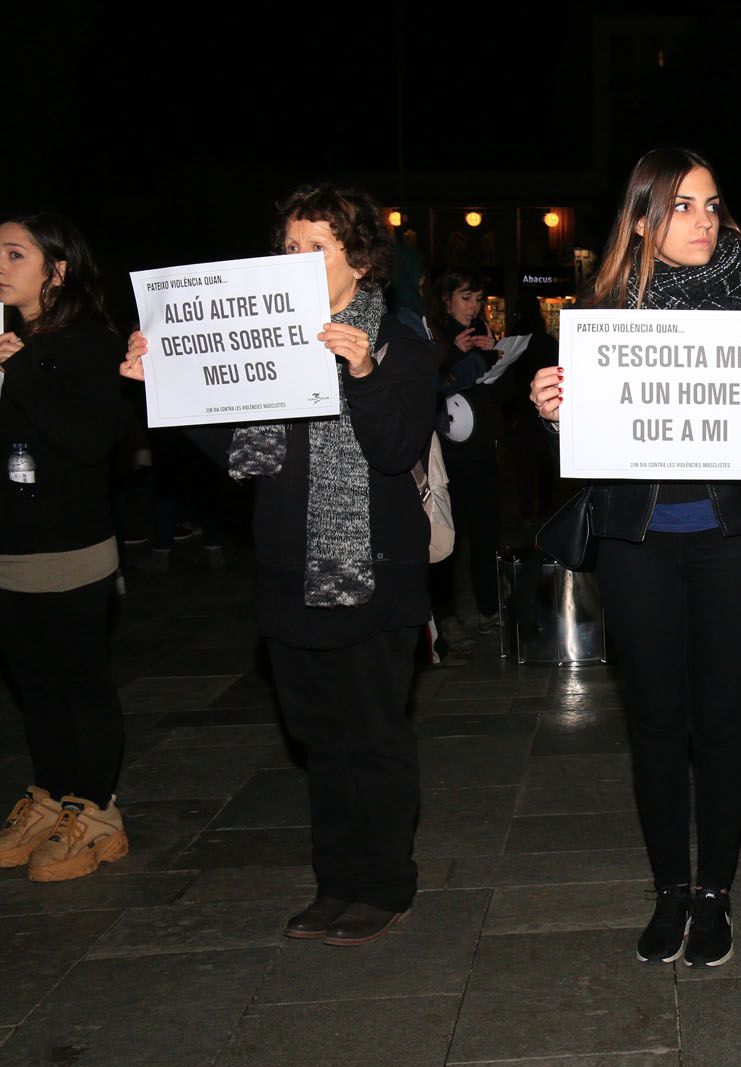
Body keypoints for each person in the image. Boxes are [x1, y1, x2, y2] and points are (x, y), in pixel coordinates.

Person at [529, 148, 741, 968]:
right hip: (639, 544)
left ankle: (715, 892)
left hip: (735, 540)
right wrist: (554, 417)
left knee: (722, 720)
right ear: (642, 219)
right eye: (683, 206)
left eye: (712, 204)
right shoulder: (602, 314)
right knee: (655, 723)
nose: (703, 221)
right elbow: (586, 452)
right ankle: (669, 888)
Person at [122, 184, 435, 945]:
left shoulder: (402, 346)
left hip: (370, 570)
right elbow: (240, 453)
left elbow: (396, 449)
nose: (296, 259)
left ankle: (384, 885)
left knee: (373, 736)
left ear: (360, 260)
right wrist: (166, 383)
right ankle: (336, 883)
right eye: (288, 247)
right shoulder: (266, 346)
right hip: (289, 570)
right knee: (319, 738)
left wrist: (363, 375)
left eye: (315, 247)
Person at [0, 212, 129, 881]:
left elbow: (86, 442)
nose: (0, 266)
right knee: (33, 684)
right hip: (8, 543)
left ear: (58, 269)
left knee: (80, 681)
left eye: (14, 254)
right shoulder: (8, 338)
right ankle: (52, 795)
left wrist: (20, 373)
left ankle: (97, 807)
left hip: (69, 543)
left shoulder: (89, 342)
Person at [426, 268, 503, 643]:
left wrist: (496, 356)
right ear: (446, 300)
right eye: (466, 298)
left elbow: (500, 393)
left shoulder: (482, 332)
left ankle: (489, 608)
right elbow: (429, 388)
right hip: (449, 459)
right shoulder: (432, 336)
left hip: (483, 453)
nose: (473, 307)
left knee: (486, 536)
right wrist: (453, 355)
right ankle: (446, 616)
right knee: (447, 540)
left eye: (478, 299)